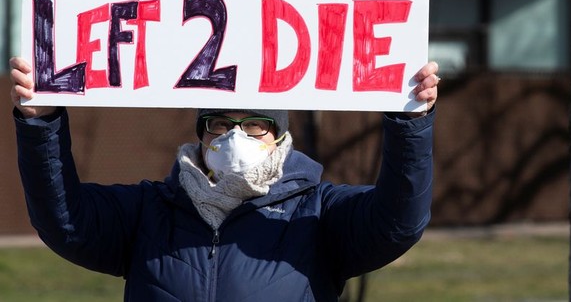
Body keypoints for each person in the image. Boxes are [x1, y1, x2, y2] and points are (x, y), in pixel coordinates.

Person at [9, 56, 439, 301]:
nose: (235, 137)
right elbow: (65, 221)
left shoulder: (317, 214)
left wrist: (409, 123)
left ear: (278, 135)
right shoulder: (150, 211)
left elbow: (397, 222)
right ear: (201, 133)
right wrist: (41, 124)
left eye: (255, 125)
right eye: (219, 124)